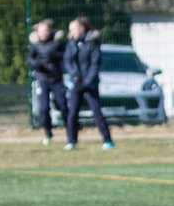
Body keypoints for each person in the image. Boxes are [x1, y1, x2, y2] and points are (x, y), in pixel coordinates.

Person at [62, 16, 113, 150]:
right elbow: (67, 61)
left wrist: (88, 81)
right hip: (76, 83)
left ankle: (107, 140)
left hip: (90, 84)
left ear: (82, 29)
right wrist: (75, 76)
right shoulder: (71, 43)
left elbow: (95, 64)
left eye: (73, 29)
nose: (71, 32)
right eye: (70, 30)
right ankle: (71, 141)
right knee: (72, 113)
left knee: (96, 112)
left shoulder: (92, 43)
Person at [27, 18, 67, 145]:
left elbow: (65, 55)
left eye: (46, 30)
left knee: (63, 105)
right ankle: (48, 133)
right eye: (42, 30)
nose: (44, 33)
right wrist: (38, 64)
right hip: (42, 79)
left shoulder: (57, 43)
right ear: (37, 32)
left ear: (51, 31)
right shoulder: (35, 45)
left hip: (56, 79)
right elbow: (29, 59)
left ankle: (70, 130)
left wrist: (55, 56)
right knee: (43, 108)